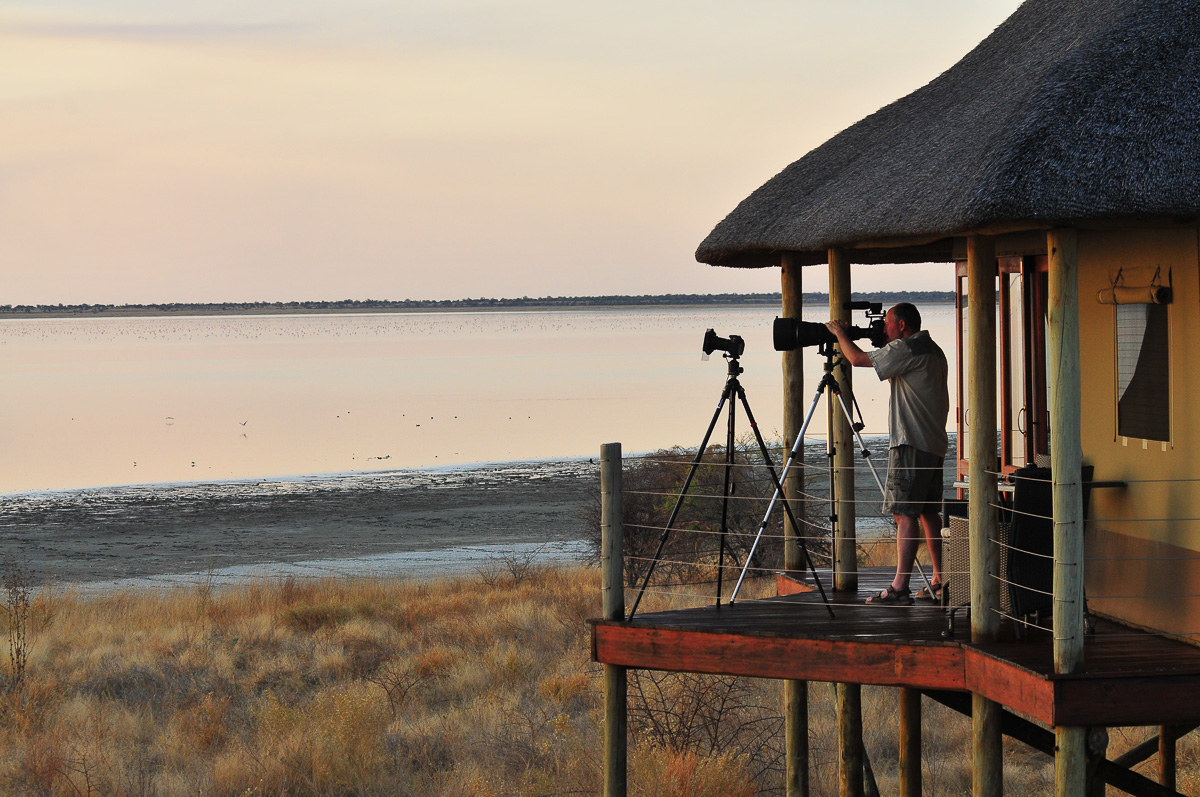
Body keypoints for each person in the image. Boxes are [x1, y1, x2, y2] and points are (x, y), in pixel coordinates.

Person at [826, 303, 949, 605]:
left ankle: (899, 586)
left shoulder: (906, 348)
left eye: (887, 323)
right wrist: (881, 342)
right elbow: (896, 372)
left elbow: (856, 359)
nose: (884, 328)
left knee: (903, 513)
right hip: (933, 443)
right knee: (928, 512)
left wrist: (840, 333)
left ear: (902, 325)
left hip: (910, 442)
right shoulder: (933, 350)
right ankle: (939, 579)